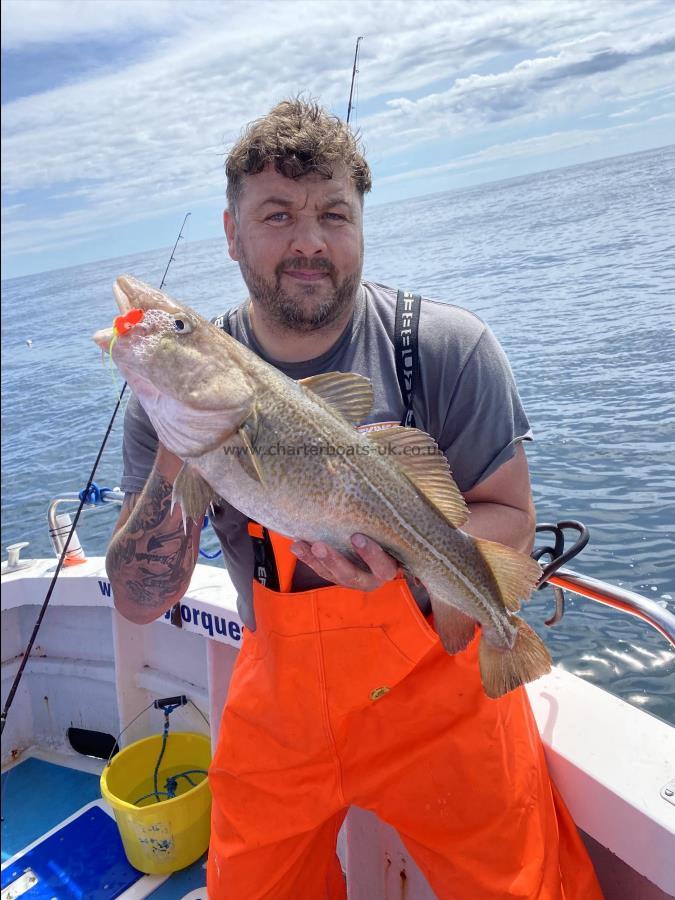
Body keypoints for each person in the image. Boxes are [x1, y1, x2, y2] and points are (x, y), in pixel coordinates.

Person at [107, 98, 602, 899]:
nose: (309, 240)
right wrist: (174, 452)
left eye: (333, 213)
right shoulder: (171, 401)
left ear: (362, 224)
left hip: (439, 698)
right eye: (276, 215)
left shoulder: (443, 348)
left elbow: (511, 519)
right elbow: (138, 604)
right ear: (231, 234)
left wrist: (407, 565)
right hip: (282, 708)